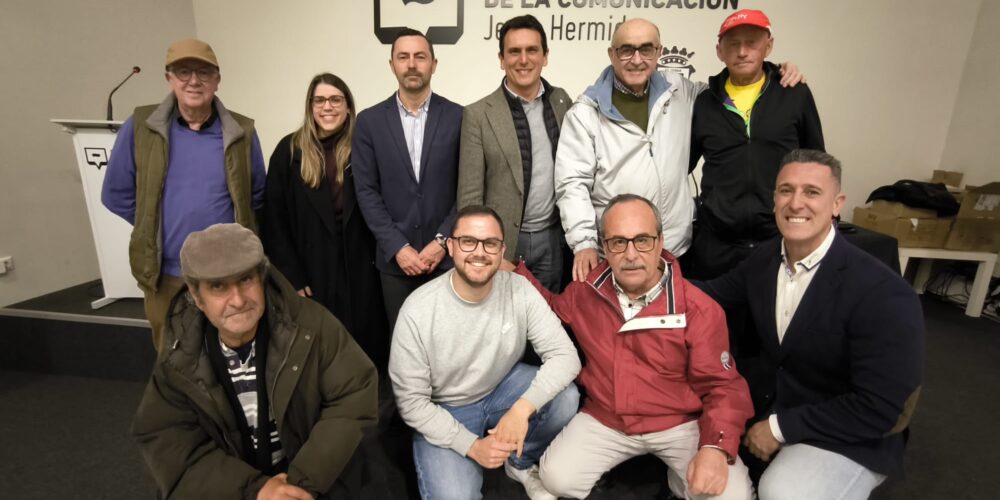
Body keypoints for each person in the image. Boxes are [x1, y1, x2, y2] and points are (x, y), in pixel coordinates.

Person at [696, 150, 924, 499]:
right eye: (786, 190)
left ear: (837, 204)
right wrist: (647, 275)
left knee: (783, 492)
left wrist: (780, 428)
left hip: (849, 433)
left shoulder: (883, 292)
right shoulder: (765, 258)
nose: (795, 203)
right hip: (776, 405)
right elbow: (711, 294)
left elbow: (878, 408)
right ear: (774, 199)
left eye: (812, 192)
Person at [516, 194, 754, 500]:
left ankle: (680, 478)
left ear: (660, 242)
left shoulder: (698, 308)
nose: (631, 254)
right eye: (618, 242)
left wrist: (715, 448)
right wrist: (514, 272)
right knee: (556, 479)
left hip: (680, 422)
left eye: (642, 240)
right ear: (604, 247)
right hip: (607, 417)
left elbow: (723, 386)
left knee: (730, 496)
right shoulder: (586, 292)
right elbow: (550, 308)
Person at [131, 223, 378, 499]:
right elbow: (167, 439)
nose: (238, 300)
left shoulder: (313, 325)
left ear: (262, 278)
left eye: (246, 280)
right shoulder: (179, 353)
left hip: (310, 480)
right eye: (218, 287)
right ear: (197, 297)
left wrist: (297, 485)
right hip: (232, 489)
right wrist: (256, 489)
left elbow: (354, 393)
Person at [556, 18, 803, 282]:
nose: (637, 59)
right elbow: (572, 184)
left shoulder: (681, 92)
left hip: (675, 250)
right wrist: (583, 242)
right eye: (626, 50)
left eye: (646, 49)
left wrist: (773, 73)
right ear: (611, 54)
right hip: (618, 254)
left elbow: (735, 90)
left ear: (659, 52)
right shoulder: (585, 113)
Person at [389, 206, 581, 500]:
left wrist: (522, 409)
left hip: (502, 388)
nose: (479, 252)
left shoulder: (519, 289)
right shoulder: (418, 311)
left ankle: (519, 462)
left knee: (565, 398)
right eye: (468, 241)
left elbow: (566, 356)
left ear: (502, 250)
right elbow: (412, 404)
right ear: (451, 247)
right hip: (446, 408)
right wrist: (472, 446)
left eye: (490, 243)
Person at [101, 38, 265, 351]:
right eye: (184, 71)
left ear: (217, 80)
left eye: (203, 72)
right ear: (169, 78)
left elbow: (256, 196)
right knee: (172, 356)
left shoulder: (241, 131)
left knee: (232, 353)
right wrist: (154, 224)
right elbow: (116, 193)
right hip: (167, 274)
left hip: (228, 273)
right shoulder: (140, 127)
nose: (194, 81)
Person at [262, 73, 389, 369]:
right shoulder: (289, 151)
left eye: (335, 100)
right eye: (319, 100)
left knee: (365, 349)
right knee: (319, 352)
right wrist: (291, 276)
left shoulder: (364, 147)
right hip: (311, 270)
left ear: (348, 106)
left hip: (361, 268)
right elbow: (274, 220)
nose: (327, 107)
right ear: (310, 106)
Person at [688, 9, 824, 280]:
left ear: (768, 46)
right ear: (719, 51)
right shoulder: (704, 102)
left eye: (751, 43)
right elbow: (681, 164)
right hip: (717, 244)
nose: (742, 52)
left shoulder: (794, 93)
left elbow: (818, 164)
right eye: (733, 44)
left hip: (777, 240)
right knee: (711, 306)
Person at [353, 27, 463, 333]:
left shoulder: (459, 117)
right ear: (392, 65)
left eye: (420, 57)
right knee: (404, 344)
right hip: (395, 263)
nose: (412, 64)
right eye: (403, 57)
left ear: (434, 64)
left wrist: (442, 241)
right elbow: (366, 191)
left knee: (449, 342)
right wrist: (398, 247)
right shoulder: (369, 122)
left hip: (446, 260)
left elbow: (466, 189)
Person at [458, 14, 572, 292]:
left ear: (545, 56)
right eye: (514, 51)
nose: (523, 60)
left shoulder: (562, 102)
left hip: (552, 241)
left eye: (532, 50)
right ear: (501, 59)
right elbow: (470, 197)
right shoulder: (478, 115)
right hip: (504, 244)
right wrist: (485, 250)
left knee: (548, 315)